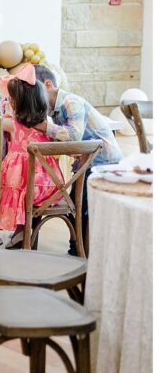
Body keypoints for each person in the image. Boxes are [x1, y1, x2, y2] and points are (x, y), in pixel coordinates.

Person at [33, 64, 123, 255]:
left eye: (35, 91)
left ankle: (80, 251)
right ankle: (78, 247)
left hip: (103, 162)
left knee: (81, 205)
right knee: (76, 203)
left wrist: (42, 127)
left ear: (47, 85)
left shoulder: (70, 102)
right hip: (86, 161)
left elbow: (73, 137)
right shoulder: (54, 111)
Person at [0, 64, 63, 247]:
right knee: (20, 190)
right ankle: (21, 233)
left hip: (21, 184)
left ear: (16, 104)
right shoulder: (47, 125)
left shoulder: (14, 125)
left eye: (11, 100)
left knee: (1, 192)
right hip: (46, 187)